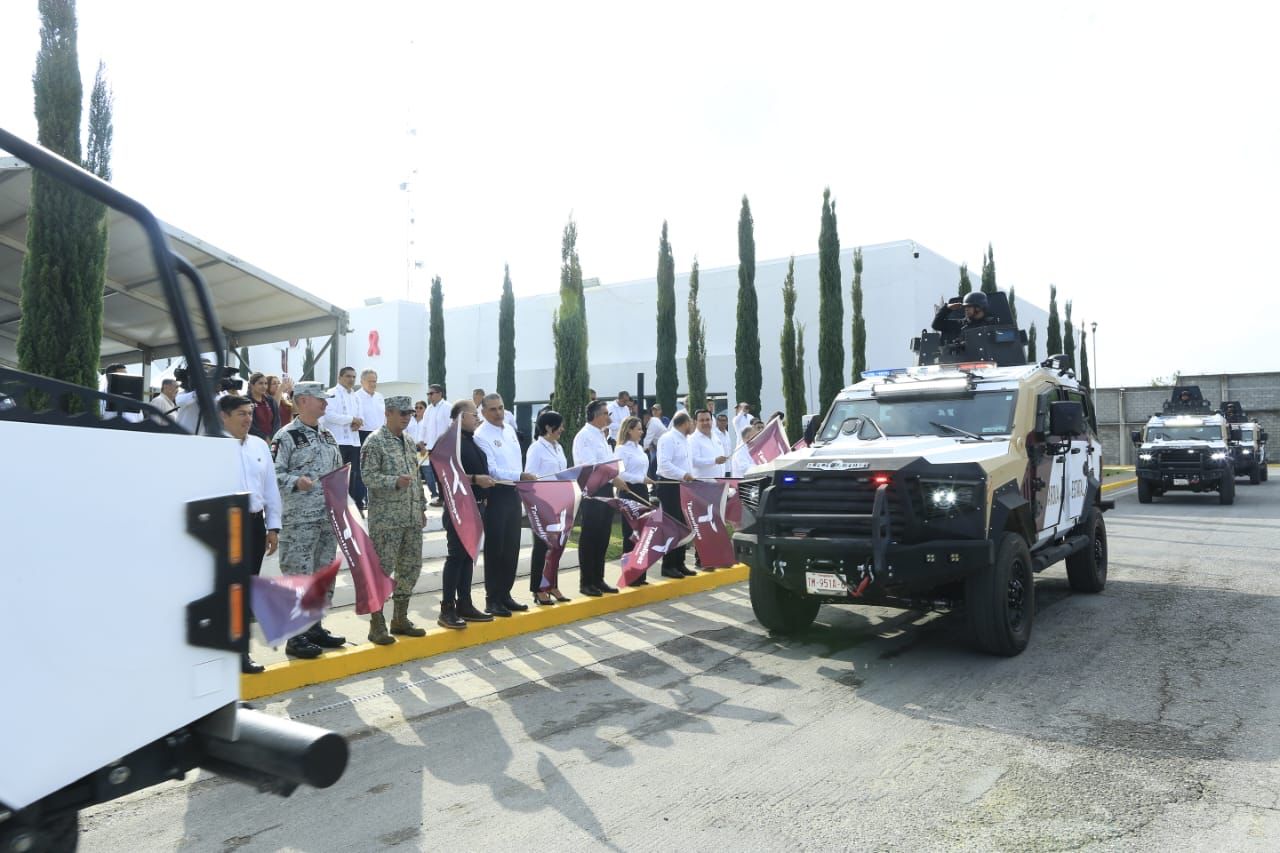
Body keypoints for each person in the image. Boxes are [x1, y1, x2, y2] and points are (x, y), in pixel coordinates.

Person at [272, 382, 347, 659]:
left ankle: (315, 628)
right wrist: (295, 481)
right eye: (320, 399)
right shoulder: (286, 436)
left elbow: (338, 470)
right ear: (302, 401)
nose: (325, 403)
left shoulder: (327, 435)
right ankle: (295, 637)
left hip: (327, 520)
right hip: (300, 521)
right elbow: (272, 474)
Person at [219, 394, 282, 674]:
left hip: (255, 525)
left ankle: (242, 653)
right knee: (228, 591)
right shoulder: (211, 446)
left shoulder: (259, 445)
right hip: (224, 526)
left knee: (247, 590)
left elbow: (270, 488)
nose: (248, 419)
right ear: (224, 416)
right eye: (241, 414)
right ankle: (225, 651)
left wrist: (273, 526)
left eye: (249, 413)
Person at [360, 396, 428, 644]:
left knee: (410, 567)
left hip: (410, 516)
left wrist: (420, 507)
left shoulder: (409, 441)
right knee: (382, 570)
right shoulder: (375, 441)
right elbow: (367, 477)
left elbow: (415, 476)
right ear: (388, 412)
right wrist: (393, 482)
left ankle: (400, 618)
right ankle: (376, 624)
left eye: (410, 413)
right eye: (402, 413)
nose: (407, 417)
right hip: (386, 520)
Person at [474, 393, 537, 616]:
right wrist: (520, 475)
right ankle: (493, 599)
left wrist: (520, 479)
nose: (499, 413)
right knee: (496, 548)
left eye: (501, 408)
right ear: (482, 412)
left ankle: (506, 594)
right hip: (496, 493)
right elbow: (491, 470)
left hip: (514, 492)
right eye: (493, 409)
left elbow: (514, 460)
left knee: (512, 546)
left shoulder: (509, 429)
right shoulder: (480, 435)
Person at [437, 399, 496, 629]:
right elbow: (446, 476)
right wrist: (474, 480)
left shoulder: (471, 440)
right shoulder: (448, 443)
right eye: (474, 414)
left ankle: (465, 603)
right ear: (461, 417)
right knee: (456, 557)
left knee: (468, 557)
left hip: (477, 506)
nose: (478, 418)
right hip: (458, 508)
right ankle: (447, 609)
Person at [573, 399, 628, 596]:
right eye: (606, 413)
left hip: (605, 490)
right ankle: (586, 582)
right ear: (596, 415)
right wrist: (614, 479)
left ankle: (598, 578)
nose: (609, 416)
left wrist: (615, 477)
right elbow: (592, 466)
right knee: (590, 537)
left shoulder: (600, 435)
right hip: (592, 491)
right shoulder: (585, 436)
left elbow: (609, 463)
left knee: (603, 535)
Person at [523, 409, 571, 605]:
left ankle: (552, 585)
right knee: (542, 547)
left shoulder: (558, 447)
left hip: (560, 503)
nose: (563, 429)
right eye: (559, 425)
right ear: (548, 427)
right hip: (542, 504)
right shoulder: (536, 448)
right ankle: (538, 589)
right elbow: (529, 477)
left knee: (557, 547)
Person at [655, 411, 696, 578]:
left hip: (683, 486)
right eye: (691, 423)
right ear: (685, 423)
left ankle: (680, 563)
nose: (692, 427)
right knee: (672, 527)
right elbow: (664, 464)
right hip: (670, 486)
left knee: (683, 526)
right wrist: (683, 475)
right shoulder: (668, 438)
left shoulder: (685, 440)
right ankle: (668, 565)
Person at [616, 416, 655, 582]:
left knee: (642, 533)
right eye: (638, 429)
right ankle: (629, 573)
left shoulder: (639, 448)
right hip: (628, 491)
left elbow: (641, 469)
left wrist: (645, 478)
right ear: (629, 430)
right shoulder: (621, 449)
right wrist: (641, 478)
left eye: (641, 428)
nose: (641, 431)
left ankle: (640, 573)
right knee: (630, 533)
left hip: (642, 491)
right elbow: (620, 473)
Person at [322, 366, 365, 510]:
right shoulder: (331, 394)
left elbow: (361, 416)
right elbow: (328, 415)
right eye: (348, 376)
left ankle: (352, 508)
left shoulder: (356, 396)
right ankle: (336, 507)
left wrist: (358, 422)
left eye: (353, 376)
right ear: (339, 378)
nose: (351, 379)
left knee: (354, 475)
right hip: (338, 441)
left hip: (354, 441)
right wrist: (351, 419)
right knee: (338, 476)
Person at [422, 383, 450, 506]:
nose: (429, 396)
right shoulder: (428, 409)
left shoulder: (447, 407)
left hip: (444, 448)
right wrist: (422, 442)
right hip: (431, 447)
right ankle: (442, 498)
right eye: (428, 394)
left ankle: (449, 499)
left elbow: (451, 426)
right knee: (437, 475)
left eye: (431, 393)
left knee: (446, 475)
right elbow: (424, 426)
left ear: (439, 394)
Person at [932, 291, 1000, 340]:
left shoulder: (992, 325)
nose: (966, 310)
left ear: (978, 308)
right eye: (965, 307)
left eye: (969, 307)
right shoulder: (961, 324)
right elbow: (936, 325)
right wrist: (947, 308)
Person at [690, 409, 729, 480]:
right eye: (701, 420)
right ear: (695, 422)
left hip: (720, 482)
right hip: (702, 485)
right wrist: (714, 460)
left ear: (712, 421)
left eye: (708, 420)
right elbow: (693, 461)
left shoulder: (715, 436)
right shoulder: (692, 439)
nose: (705, 423)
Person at [246, 372, 280, 442]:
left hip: (272, 440)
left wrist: (272, 437)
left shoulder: (270, 400)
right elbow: (249, 424)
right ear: (252, 385)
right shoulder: (246, 401)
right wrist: (264, 438)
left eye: (266, 383)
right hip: (253, 440)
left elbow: (277, 421)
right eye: (260, 383)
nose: (264, 386)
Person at [355, 369, 385, 445]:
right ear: (362, 382)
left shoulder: (380, 396)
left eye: (374, 381)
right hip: (363, 435)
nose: (372, 384)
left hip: (380, 434)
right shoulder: (355, 397)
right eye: (370, 381)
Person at [714, 411, 734, 476]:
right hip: (719, 467)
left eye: (724, 420)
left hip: (728, 466)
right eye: (720, 420)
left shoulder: (727, 434)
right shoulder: (714, 434)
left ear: (727, 422)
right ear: (717, 422)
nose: (723, 422)